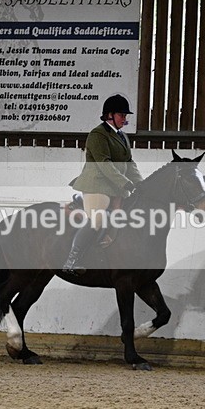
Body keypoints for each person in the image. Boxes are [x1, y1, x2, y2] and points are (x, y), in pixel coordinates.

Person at [62, 94, 143, 275]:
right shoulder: (97, 134)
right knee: (98, 219)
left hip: (116, 188)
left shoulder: (123, 136)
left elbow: (129, 163)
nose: (124, 118)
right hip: (97, 186)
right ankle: (72, 260)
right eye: (121, 115)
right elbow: (104, 163)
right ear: (109, 115)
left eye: (125, 115)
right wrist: (127, 184)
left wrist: (141, 184)